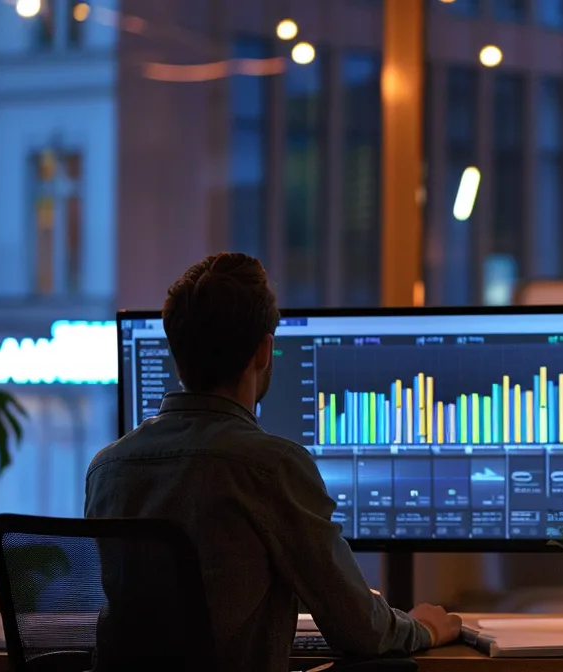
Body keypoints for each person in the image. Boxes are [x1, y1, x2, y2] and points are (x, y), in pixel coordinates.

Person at [86, 252, 459, 672]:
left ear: (176, 354)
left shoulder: (106, 469)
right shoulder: (272, 467)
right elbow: (359, 629)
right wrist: (423, 628)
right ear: (264, 351)